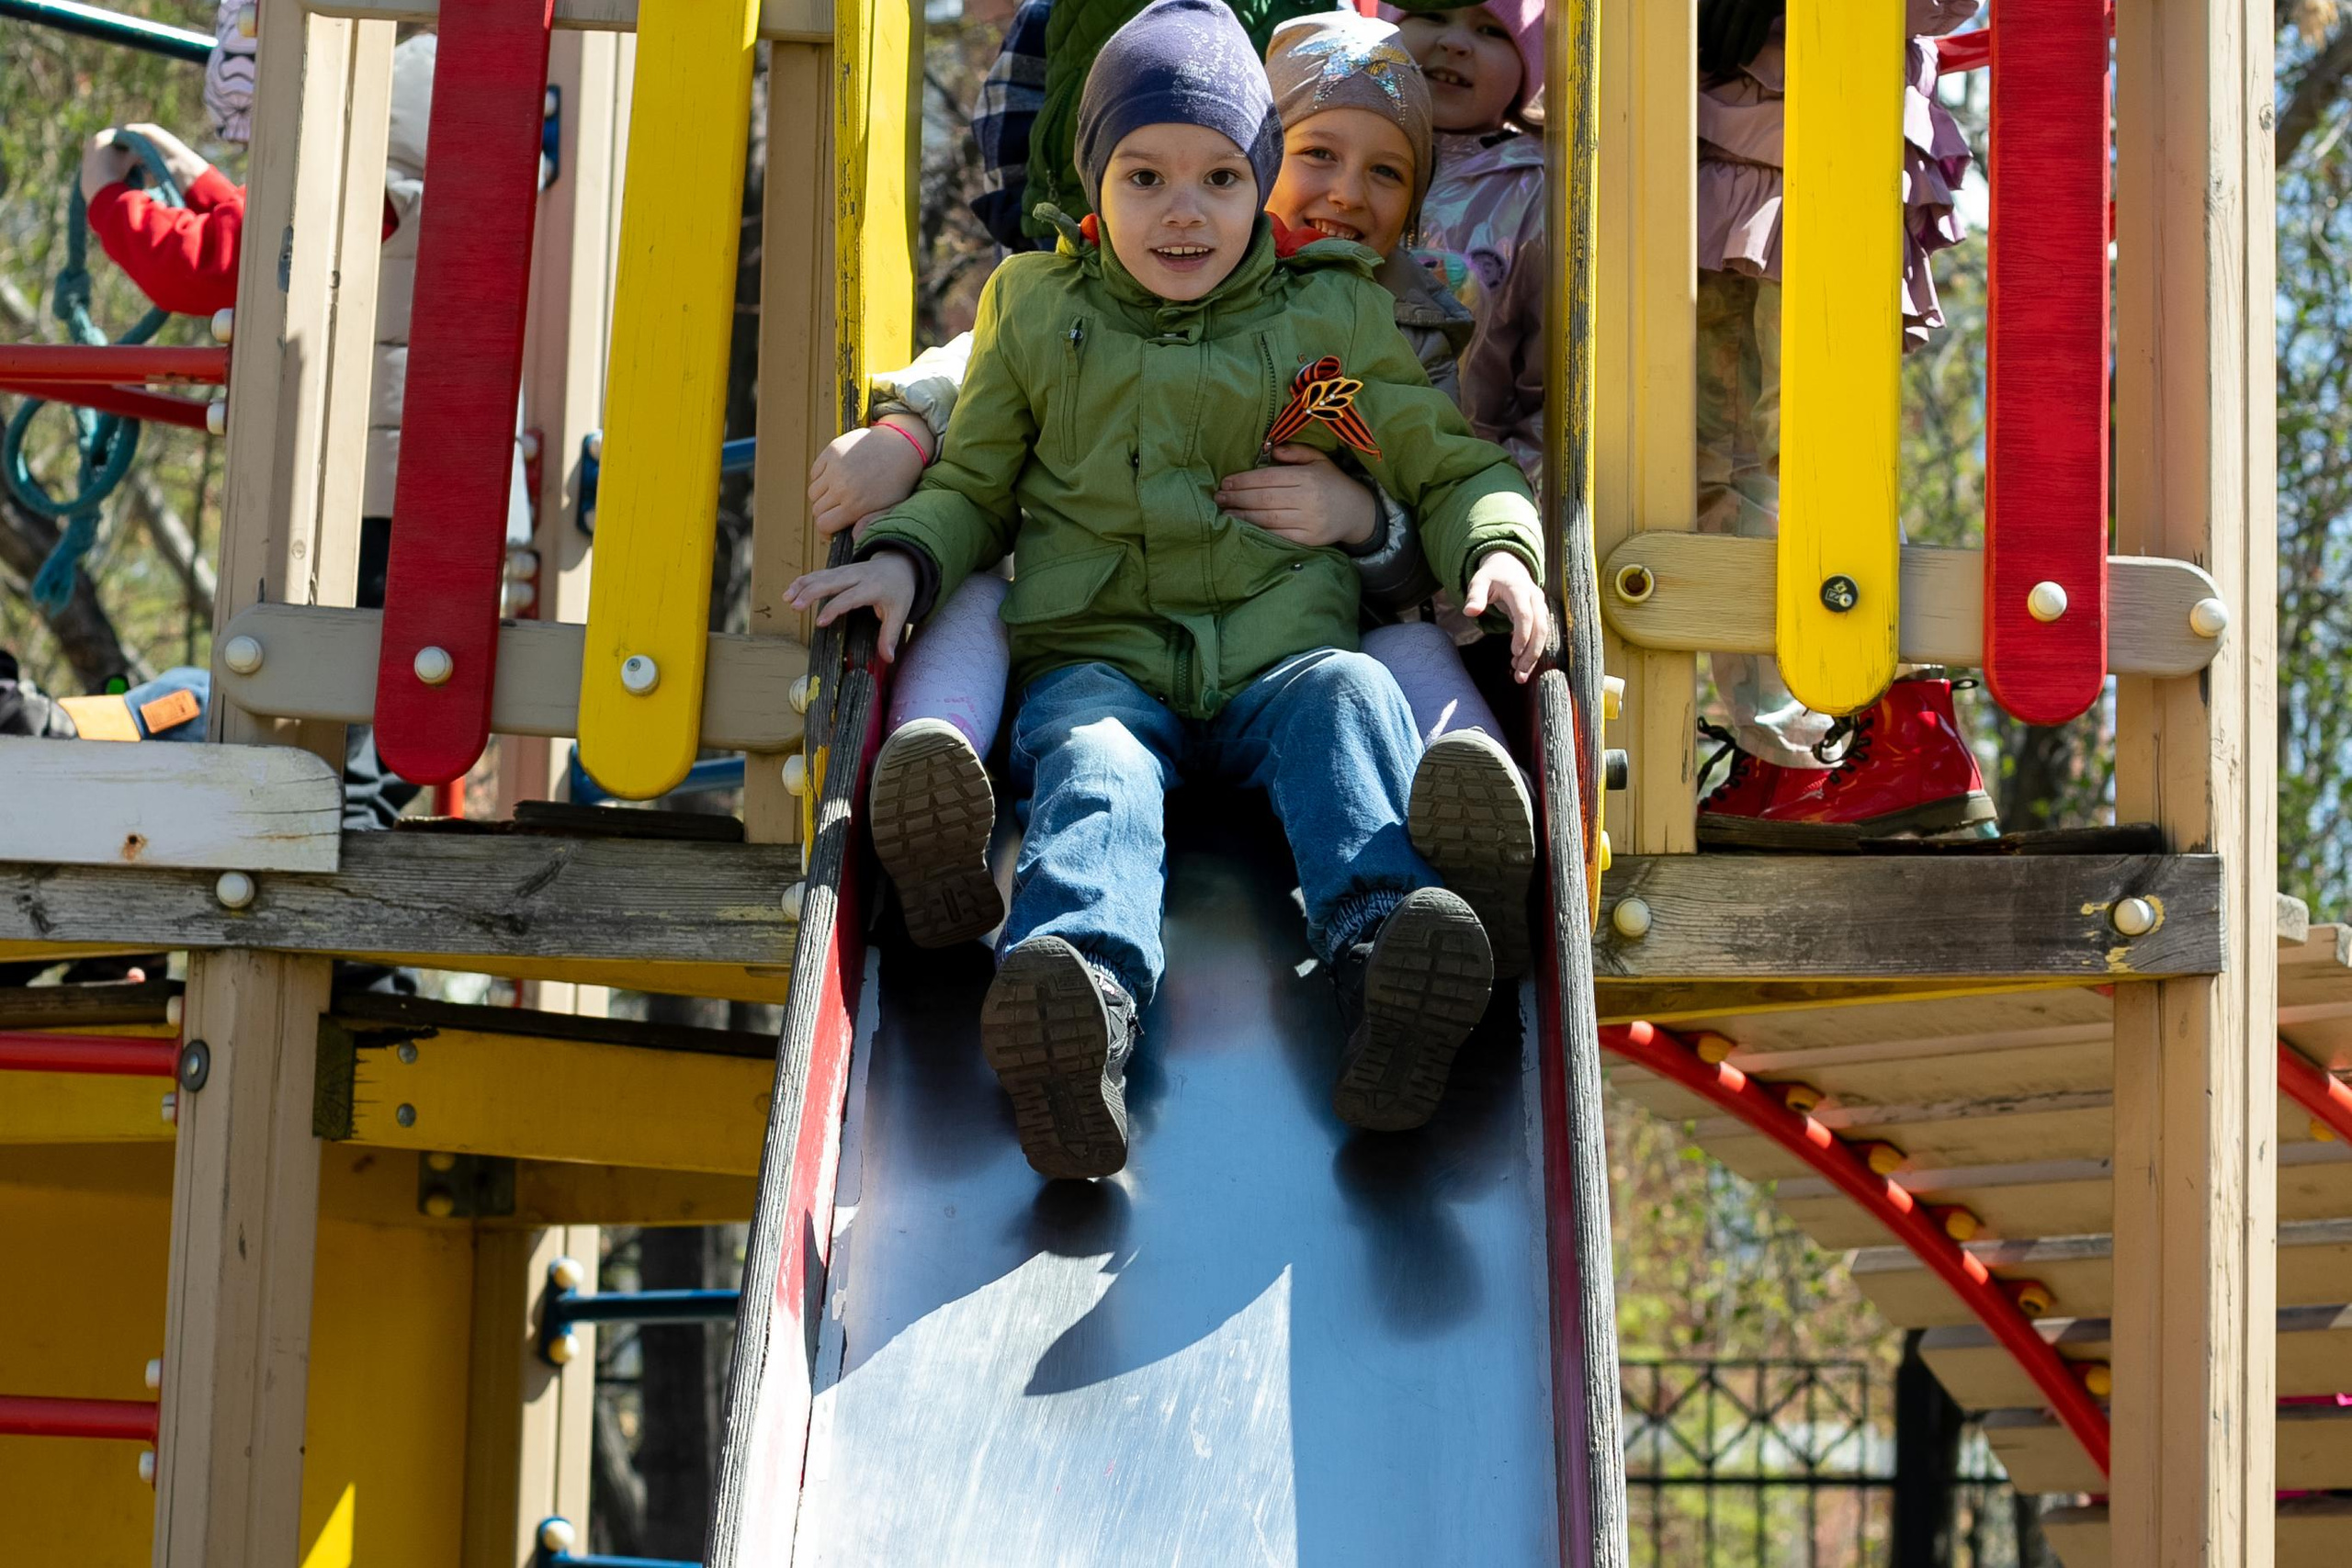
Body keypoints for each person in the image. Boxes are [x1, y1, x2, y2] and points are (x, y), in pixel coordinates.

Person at [787, 0, 1549, 1179]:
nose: (1183, 210)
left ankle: (1386, 957)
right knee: (1093, 768)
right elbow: (976, 483)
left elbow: (1441, 462)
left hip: (1278, 651)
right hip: (1105, 655)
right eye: (1145, 176)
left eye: (1218, 178)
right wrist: (903, 558)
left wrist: (1497, 549)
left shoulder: (1330, 320)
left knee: (1349, 697)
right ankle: (1077, 1002)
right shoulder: (1038, 310)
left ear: (1259, 185)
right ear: (1095, 180)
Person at [1686, 0, 1997, 847]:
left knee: (1800, 450)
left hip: (1819, 146)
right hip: (1719, 152)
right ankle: (1806, 748)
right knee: (1719, 466)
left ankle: (1877, 734)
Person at [77, 33, 531, 611]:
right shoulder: (448, 199)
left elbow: (210, 263)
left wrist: (107, 196)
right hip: (461, 492)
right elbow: (276, 239)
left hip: (375, 501)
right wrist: (197, 178)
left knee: (352, 647)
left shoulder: (376, 194)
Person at [1390, 1, 1547, 481]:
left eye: (1491, 31)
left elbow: (1556, 401)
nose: (1455, 43)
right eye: (1434, 15)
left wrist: (1496, 490)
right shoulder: (1324, 156)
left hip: (1463, 486)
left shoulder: (1538, 192)